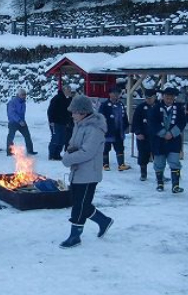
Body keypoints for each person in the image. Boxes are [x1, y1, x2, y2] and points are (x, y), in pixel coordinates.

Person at [59, 95, 114, 248]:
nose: (72, 115)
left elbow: (87, 152)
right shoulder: (80, 124)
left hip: (89, 174)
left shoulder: (94, 129)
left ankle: (75, 236)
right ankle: (104, 221)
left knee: (79, 206)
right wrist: (69, 151)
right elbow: (73, 144)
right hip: (78, 171)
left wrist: (68, 159)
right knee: (80, 202)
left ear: (83, 112)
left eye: (74, 112)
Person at [147, 86, 187, 193]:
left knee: (174, 162)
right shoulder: (155, 108)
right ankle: (160, 183)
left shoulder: (178, 109)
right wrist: (163, 133)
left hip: (174, 140)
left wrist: (172, 133)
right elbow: (152, 122)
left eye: (171, 98)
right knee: (159, 163)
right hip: (159, 141)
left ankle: (175, 185)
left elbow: (182, 122)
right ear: (163, 97)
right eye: (167, 97)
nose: (169, 100)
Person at [99, 87, 130, 171]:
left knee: (120, 147)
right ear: (110, 94)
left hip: (118, 130)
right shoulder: (104, 105)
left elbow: (124, 116)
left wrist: (126, 125)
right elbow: (100, 117)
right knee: (106, 147)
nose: (115, 95)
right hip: (107, 130)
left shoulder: (121, 105)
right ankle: (105, 164)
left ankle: (121, 164)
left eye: (117, 93)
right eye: (114, 93)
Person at [131, 88, 157, 181]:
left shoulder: (159, 106)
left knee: (158, 156)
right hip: (143, 136)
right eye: (147, 98)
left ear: (155, 97)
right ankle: (143, 173)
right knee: (142, 155)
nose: (148, 99)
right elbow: (135, 122)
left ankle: (159, 174)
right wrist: (137, 133)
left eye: (150, 97)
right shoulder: (140, 107)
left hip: (156, 136)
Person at [6, 88, 37, 156]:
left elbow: (22, 113)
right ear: (18, 95)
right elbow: (12, 113)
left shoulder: (23, 102)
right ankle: (9, 152)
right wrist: (19, 120)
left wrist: (22, 121)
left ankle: (30, 150)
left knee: (27, 136)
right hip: (13, 122)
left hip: (22, 122)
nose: (24, 96)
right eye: (23, 95)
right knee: (11, 137)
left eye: (25, 94)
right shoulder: (12, 102)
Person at [47, 85, 73, 160]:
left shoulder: (67, 99)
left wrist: (68, 121)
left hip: (63, 123)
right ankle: (52, 155)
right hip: (55, 122)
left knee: (62, 139)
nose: (69, 92)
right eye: (68, 91)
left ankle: (57, 154)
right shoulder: (56, 98)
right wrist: (51, 121)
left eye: (70, 91)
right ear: (64, 90)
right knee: (56, 138)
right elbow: (50, 110)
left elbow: (68, 112)